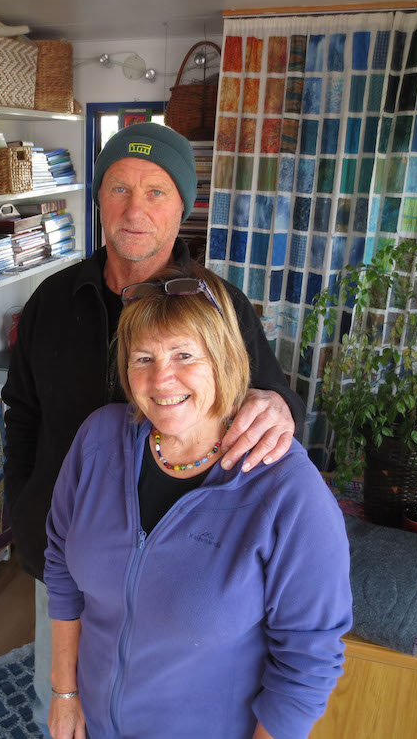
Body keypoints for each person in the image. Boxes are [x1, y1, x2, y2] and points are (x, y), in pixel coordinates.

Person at [1, 122, 305, 716]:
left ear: (182, 208)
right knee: (60, 703)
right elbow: (22, 414)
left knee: (150, 711)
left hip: (179, 579)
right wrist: (24, 506)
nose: (134, 209)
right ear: (98, 201)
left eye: (156, 191)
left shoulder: (220, 306)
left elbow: (271, 398)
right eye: (118, 189)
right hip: (68, 561)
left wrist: (281, 406)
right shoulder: (50, 303)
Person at [44, 264, 352, 738]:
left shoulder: (286, 487)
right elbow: (62, 568)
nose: (161, 379)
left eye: (185, 354)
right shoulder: (99, 440)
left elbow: (307, 662)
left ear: (224, 359)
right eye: (142, 358)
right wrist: (64, 693)